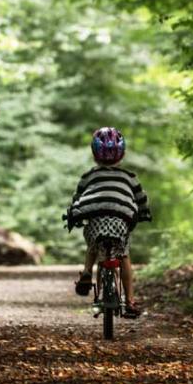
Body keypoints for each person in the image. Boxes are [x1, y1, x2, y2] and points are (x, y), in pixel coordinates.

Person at [64, 127, 151, 318]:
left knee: (93, 245)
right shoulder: (130, 177)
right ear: (123, 154)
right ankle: (130, 301)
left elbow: (77, 198)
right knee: (124, 256)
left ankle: (87, 271)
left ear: (94, 154)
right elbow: (141, 199)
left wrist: (73, 215)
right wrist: (144, 213)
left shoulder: (89, 176)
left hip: (95, 220)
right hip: (121, 221)